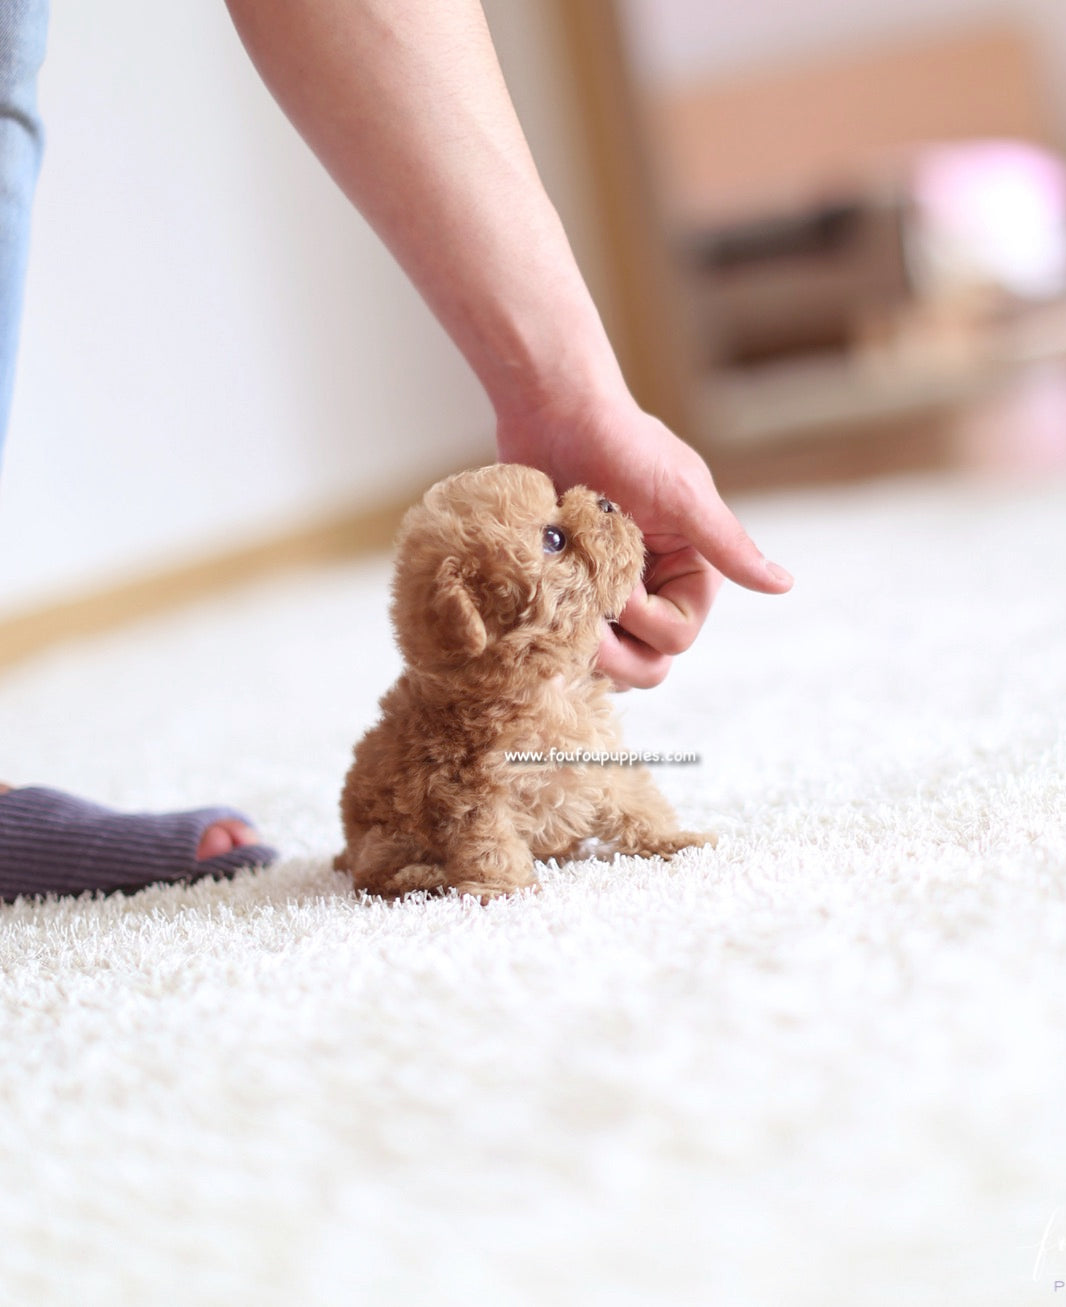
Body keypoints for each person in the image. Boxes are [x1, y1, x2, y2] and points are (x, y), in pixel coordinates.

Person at [0, 0, 791, 902]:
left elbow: (615, 771)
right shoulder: (456, 739)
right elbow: (468, 805)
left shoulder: (572, 709)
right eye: (553, 541)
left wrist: (567, 394)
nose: (582, 521)